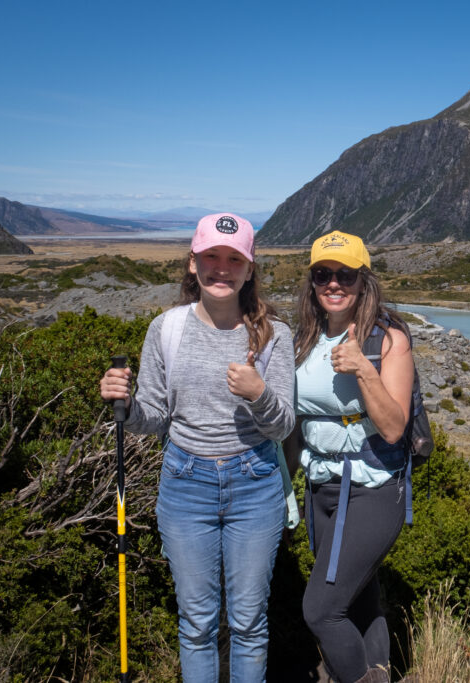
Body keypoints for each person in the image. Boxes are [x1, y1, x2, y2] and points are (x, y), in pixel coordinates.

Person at [99, 212, 296, 683]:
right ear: (193, 263)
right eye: (211, 257)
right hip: (186, 487)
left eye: (234, 259)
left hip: (255, 485)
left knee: (248, 623)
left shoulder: (275, 337)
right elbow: (153, 418)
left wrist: (258, 393)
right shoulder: (165, 329)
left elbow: (283, 426)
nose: (221, 268)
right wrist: (123, 403)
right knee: (197, 624)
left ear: (250, 270)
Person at [288, 230, 415, 683]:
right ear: (312, 280)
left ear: (364, 280)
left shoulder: (388, 338)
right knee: (358, 599)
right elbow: (294, 421)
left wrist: (363, 367)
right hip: (320, 484)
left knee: (321, 611)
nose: (334, 283)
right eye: (323, 274)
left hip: (372, 487)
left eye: (345, 274)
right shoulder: (303, 336)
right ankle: (375, 672)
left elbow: (394, 426)